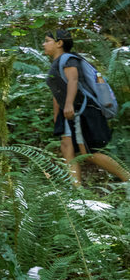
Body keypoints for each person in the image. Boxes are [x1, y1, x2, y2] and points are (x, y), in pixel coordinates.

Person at [43, 30, 128, 186]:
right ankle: (78, 193)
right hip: (68, 113)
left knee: (89, 153)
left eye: (47, 41)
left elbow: (73, 81)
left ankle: (127, 178)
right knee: (66, 147)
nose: (44, 44)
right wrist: (57, 117)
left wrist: (68, 105)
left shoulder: (68, 59)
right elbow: (57, 92)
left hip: (82, 109)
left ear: (59, 43)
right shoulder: (55, 64)